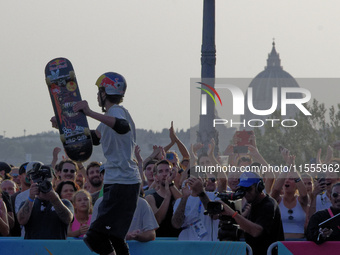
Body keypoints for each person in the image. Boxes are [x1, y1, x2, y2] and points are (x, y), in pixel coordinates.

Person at [61, 72, 141, 255]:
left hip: (123, 181)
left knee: (94, 236)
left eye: (99, 91)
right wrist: (63, 126)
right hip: (119, 181)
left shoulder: (117, 112)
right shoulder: (112, 116)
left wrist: (89, 112)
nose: (97, 96)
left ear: (105, 93)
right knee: (114, 236)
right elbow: (95, 138)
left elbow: (121, 126)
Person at [218, 172, 284, 255]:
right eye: (242, 189)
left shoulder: (269, 204)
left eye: (248, 189)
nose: (245, 193)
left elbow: (256, 231)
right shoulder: (253, 203)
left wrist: (233, 214)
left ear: (259, 187)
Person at [17, 163, 74, 239]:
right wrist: (31, 198)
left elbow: (68, 219)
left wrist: (54, 199)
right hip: (33, 249)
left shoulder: (65, 203)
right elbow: (21, 221)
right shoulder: (27, 203)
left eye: (47, 180)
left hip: (55, 249)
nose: (43, 183)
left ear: (54, 180)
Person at [172, 175, 219, 241]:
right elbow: (176, 224)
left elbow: (215, 215)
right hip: (187, 245)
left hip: (208, 245)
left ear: (205, 181)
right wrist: (184, 197)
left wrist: (201, 192)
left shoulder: (214, 196)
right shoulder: (179, 201)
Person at [92, 196, 159, 242]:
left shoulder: (142, 203)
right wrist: (123, 237)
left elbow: (151, 234)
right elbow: (94, 234)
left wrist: (137, 236)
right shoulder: (100, 203)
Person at [145, 159, 181, 238]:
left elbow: (184, 204)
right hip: (160, 241)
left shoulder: (178, 194)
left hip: (178, 241)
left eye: (167, 171)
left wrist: (170, 184)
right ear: (156, 177)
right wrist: (167, 196)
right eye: (161, 171)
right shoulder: (150, 198)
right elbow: (157, 221)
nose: (165, 174)